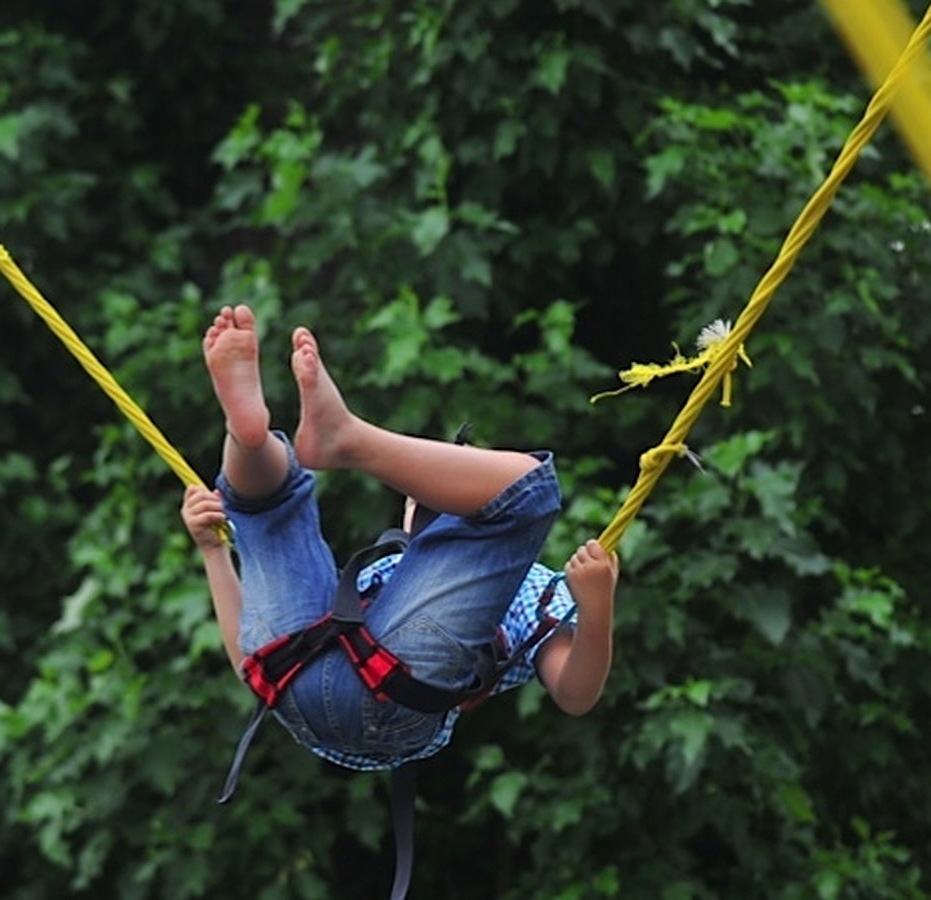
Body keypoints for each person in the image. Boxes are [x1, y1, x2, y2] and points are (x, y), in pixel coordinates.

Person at [181, 304, 618, 773]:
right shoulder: (377, 580)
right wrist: (214, 552)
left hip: (383, 701)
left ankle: (342, 439)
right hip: (292, 674)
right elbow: (255, 657)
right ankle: (249, 440)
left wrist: (596, 609)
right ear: (407, 509)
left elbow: (574, 695)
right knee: (269, 504)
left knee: (525, 493)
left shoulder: (531, 587)